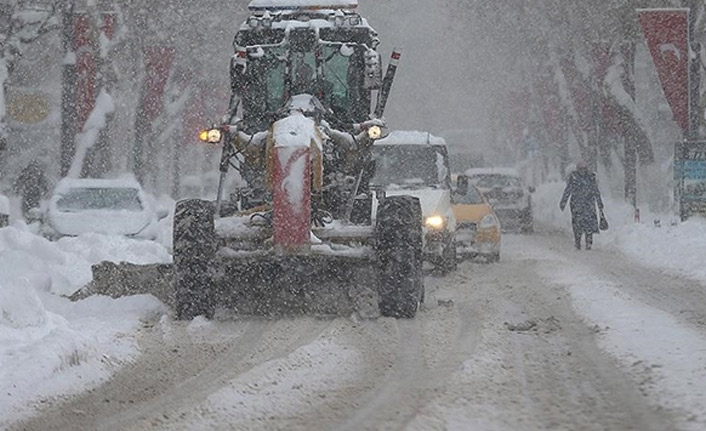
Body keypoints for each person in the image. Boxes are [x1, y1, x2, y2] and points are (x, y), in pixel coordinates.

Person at [560, 161, 604, 250]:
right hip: (581, 204)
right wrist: (563, 201)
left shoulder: (586, 177)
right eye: (581, 169)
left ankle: (585, 242)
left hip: (582, 204)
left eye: (584, 169)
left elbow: (595, 191)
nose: (582, 171)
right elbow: (568, 190)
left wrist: (600, 203)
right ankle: (581, 242)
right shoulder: (584, 177)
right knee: (582, 224)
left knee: (584, 224)